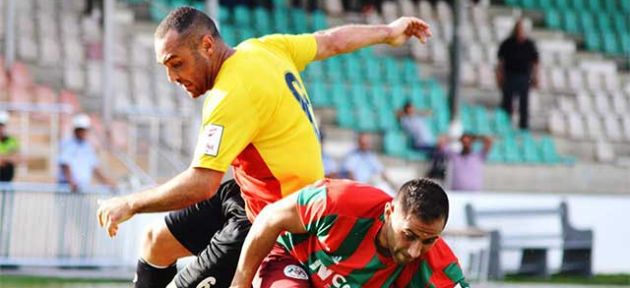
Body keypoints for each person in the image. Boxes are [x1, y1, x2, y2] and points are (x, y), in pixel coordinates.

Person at [96, 6, 432, 288]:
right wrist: (388, 31)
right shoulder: (263, 48)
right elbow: (331, 42)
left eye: (177, 63)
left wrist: (130, 203)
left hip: (272, 222)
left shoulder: (232, 94)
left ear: (207, 45)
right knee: (155, 241)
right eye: (166, 67)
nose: (172, 77)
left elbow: (201, 184)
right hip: (244, 196)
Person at [230, 178, 469, 288]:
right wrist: (240, 284)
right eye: (408, 235)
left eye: (428, 240)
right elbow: (270, 218)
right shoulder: (340, 202)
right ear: (389, 212)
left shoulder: (437, 260)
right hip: (291, 259)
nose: (414, 250)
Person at [496, 18, 539, 130]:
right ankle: (505, 125)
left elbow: (535, 62)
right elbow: (500, 62)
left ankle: (523, 127)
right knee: (507, 103)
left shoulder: (529, 44)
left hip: (524, 76)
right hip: (510, 75)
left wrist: (535, 77)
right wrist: (499, 76)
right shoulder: (507, 43)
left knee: (524, 104)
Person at [58, 114, 114, 192]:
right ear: (75, 130)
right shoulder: (68, 144)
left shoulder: (88, 147)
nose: (82, 132)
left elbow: (95, 168)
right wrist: (71, 181)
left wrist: (107, 183)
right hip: (68, 188)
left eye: (84, 130)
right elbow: (65, 164)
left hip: (82, 187)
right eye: (80, 129)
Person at [0, 111, 19, 182]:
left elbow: (17, 158)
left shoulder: (12, 140)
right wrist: (8, 157)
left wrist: (3, 158)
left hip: (7, 177)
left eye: (2, 126)